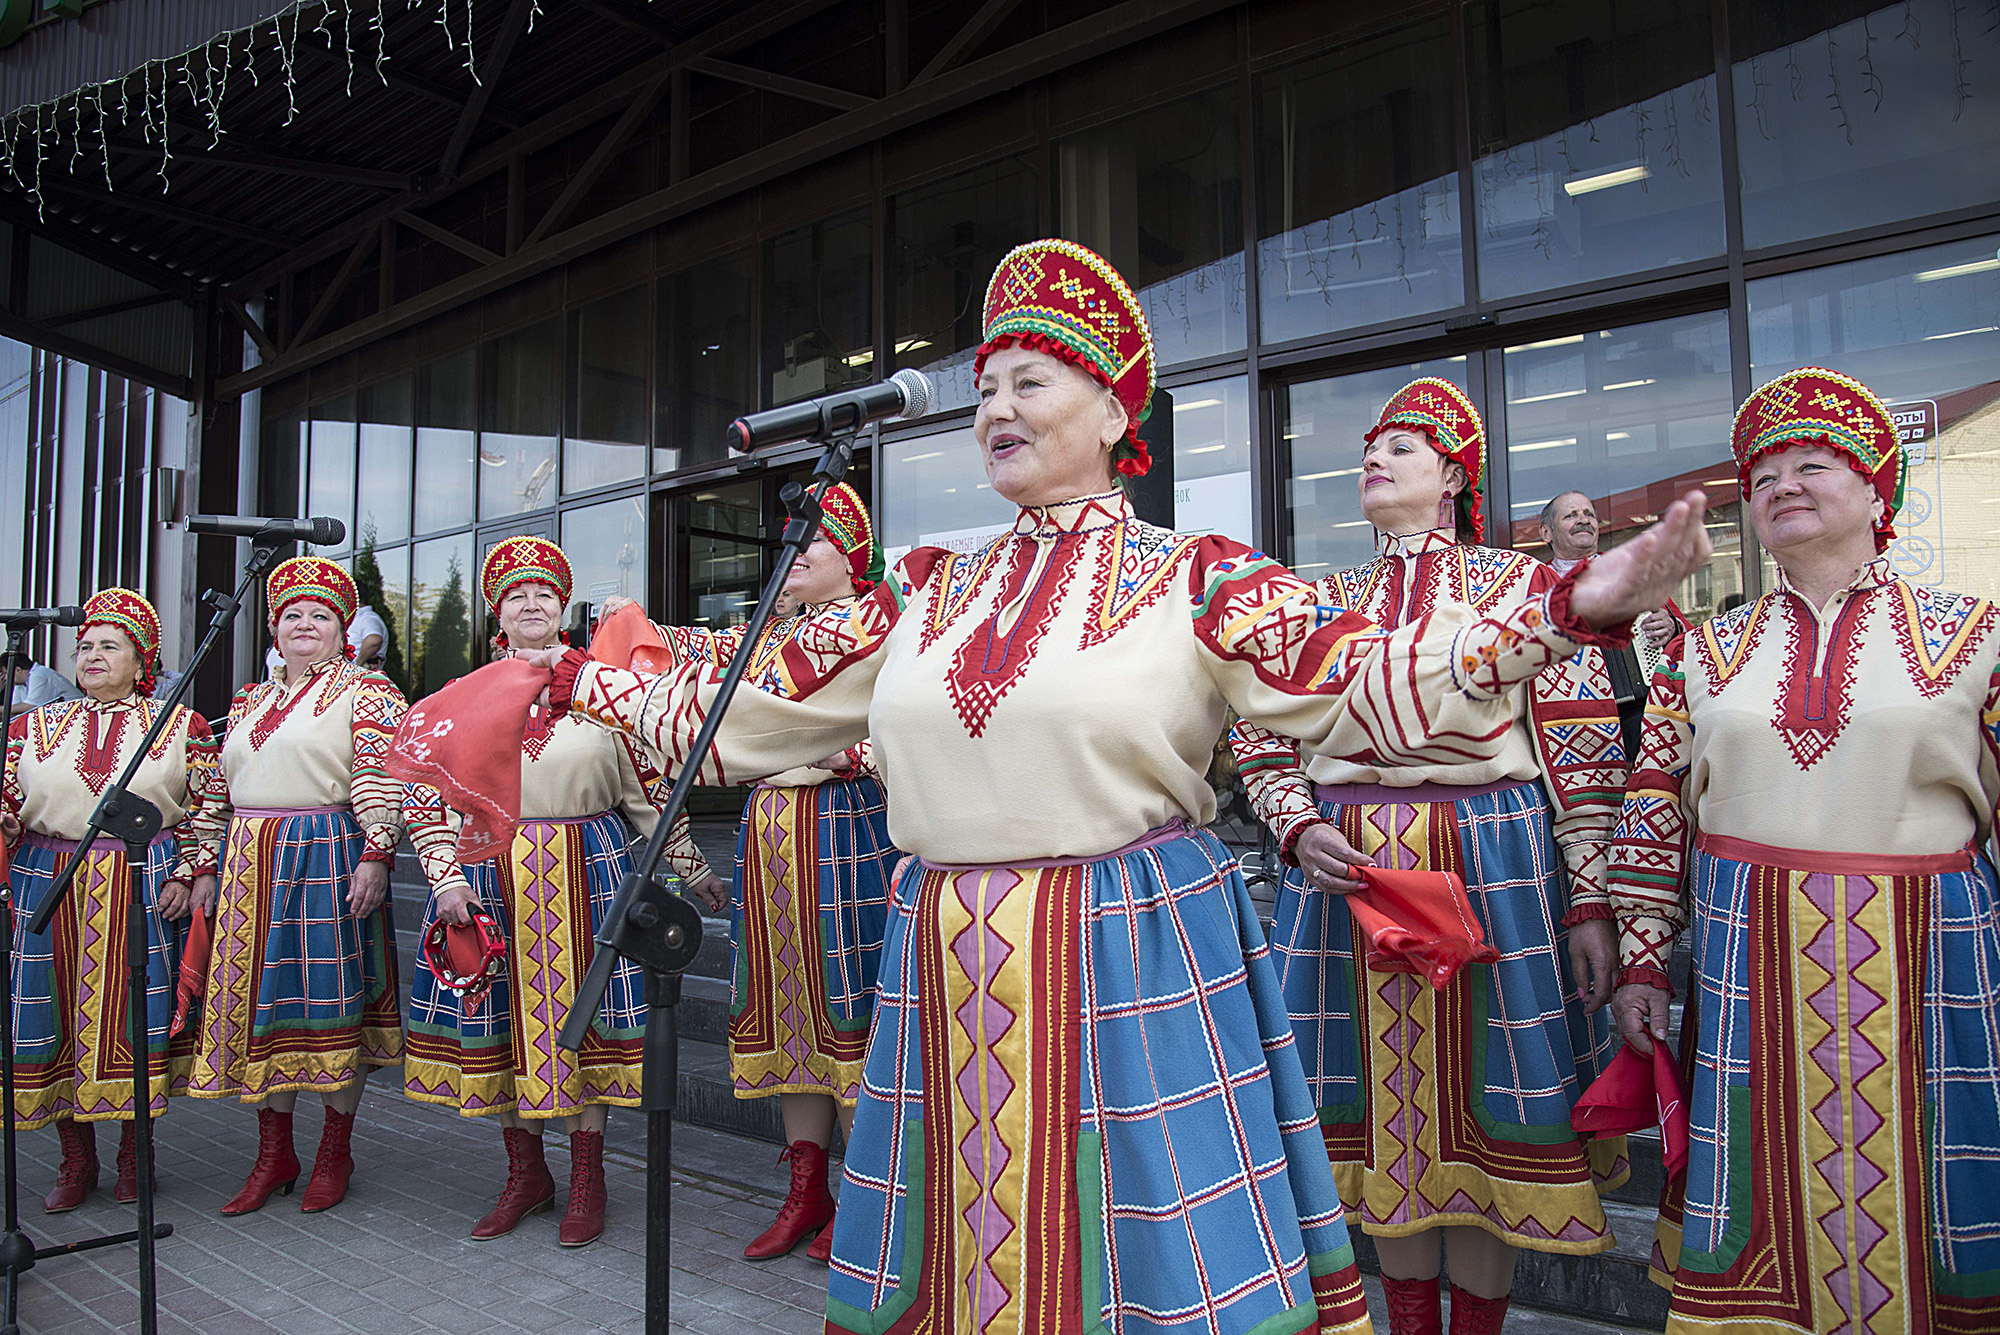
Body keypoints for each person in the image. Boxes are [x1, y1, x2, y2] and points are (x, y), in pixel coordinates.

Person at [496, 239, 1709, 1334]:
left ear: (1113, 410)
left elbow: (1362, 677)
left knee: (1136, 1264)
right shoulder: (923, 588)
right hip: (945, 954)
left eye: (1029, 382)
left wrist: (1568, 606)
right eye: (984, 389)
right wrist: (579, 683)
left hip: (1128, 946)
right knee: (964, 1259)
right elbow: (741, 717)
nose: (995, 409)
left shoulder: (1198, 576)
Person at [1229, 383, 1629, 1335]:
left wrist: (1592, 900)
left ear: (1453, 476)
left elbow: (1581, 750)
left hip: (1495, 865)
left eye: (1401, 447)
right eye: (1370, 449)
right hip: (1347, 873)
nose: (1374, 458)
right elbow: (1260, 733)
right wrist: (1296, 825)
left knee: (1486, 1124)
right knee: (1383, 1123)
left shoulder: (1525, 589)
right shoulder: (1321, 601)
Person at [1609, 367, 2000, 1335]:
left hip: (1934, 963)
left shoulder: (1975, 636)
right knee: (1760, 1194)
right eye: (1762, 476)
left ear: (1875, 487)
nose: (1781, 484)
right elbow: (1653, 810)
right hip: (1750, 969)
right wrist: (1642, 960)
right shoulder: (1700, 654)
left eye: (1812, 465)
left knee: (1941, 1189)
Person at [602, 482, 904, 1264]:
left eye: (816, 539)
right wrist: (627, 618)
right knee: (785, 1007)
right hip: (770, 833)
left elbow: (909, 725)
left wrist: (844, 751)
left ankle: (866, 1195)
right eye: (792, 540)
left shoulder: (881, 628)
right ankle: (807, 1190)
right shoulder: (766, 634)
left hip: (844, 825)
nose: (795, 552)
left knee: (849, 1010)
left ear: (854, 557)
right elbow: (687, 651)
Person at [401, 536, 724, 1247]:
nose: (531, 603)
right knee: (505, 1023)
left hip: (588, 872)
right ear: (497, 616)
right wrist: (445, 877)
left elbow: (647, 793)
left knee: (586, 1023)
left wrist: (694, 870)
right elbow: (429, 796)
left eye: (544, 593)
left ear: (563, 609)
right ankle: (526, 1175)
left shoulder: (601, 690)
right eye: (515, 594)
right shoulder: (463, 697)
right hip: (489, 873)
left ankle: (586, 1178)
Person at [181, 556, 407, 1216]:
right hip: (249, 865)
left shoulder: (368, 691)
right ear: (274, 630)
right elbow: (216, 792)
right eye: (292, 615)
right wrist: (204, 863)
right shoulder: (248, 700)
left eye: (321, 616)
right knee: (264, 1007)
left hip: (326, 854)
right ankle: (274, 1154)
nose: (305, 624)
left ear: (343, 630)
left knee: (331, 1005)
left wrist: (376, 852)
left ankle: (335, 1152)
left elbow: (383, 776)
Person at [3, 590, 218, 1210]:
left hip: (141, 877)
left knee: (132, 1015)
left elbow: (205, 808)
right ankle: (75, 1159)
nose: (92, 656)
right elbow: (8, 797)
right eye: (85, 646)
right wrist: (7, 823)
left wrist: (189, 873)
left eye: (110, 646)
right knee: (55, 1013)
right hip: (48, 880)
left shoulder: (180, 724)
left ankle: (133, 1154)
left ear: (141, 660)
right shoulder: (30, 727)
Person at [1538, 489, 1682, 758]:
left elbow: (1684, 635)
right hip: (1570, 717)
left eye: (1589, 514)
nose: (1583, 520)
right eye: (1571, 515)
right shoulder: (1536, 585)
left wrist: (1671, 627)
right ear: (1547, 533)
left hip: (1639, 706)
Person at [9, 650, 82, 710]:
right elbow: (14, 709)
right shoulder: (20, 684)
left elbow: (31, 706)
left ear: (18, 670)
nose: (6, 678)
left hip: (75, 714)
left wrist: (4, 709)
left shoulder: (39, 674)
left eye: (6, 674)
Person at [347, 602, 387, 669]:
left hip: (360, 672)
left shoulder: (368, 617)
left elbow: (374, 641)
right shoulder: (357, 617)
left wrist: (357, 664)